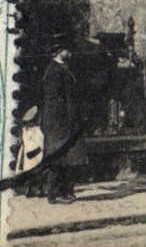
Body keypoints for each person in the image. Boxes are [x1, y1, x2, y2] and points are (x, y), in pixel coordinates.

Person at [41, 40, 84, 203]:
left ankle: (66, 191)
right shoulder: (53, 72)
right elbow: (54, 102)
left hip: (68, 122)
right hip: (58, 123)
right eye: (67, 49)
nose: (70, 52)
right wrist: (62, 123)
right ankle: (54, 194)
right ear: (59, 51)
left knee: (70, 159)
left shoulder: (63, 69)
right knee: (58, 159)